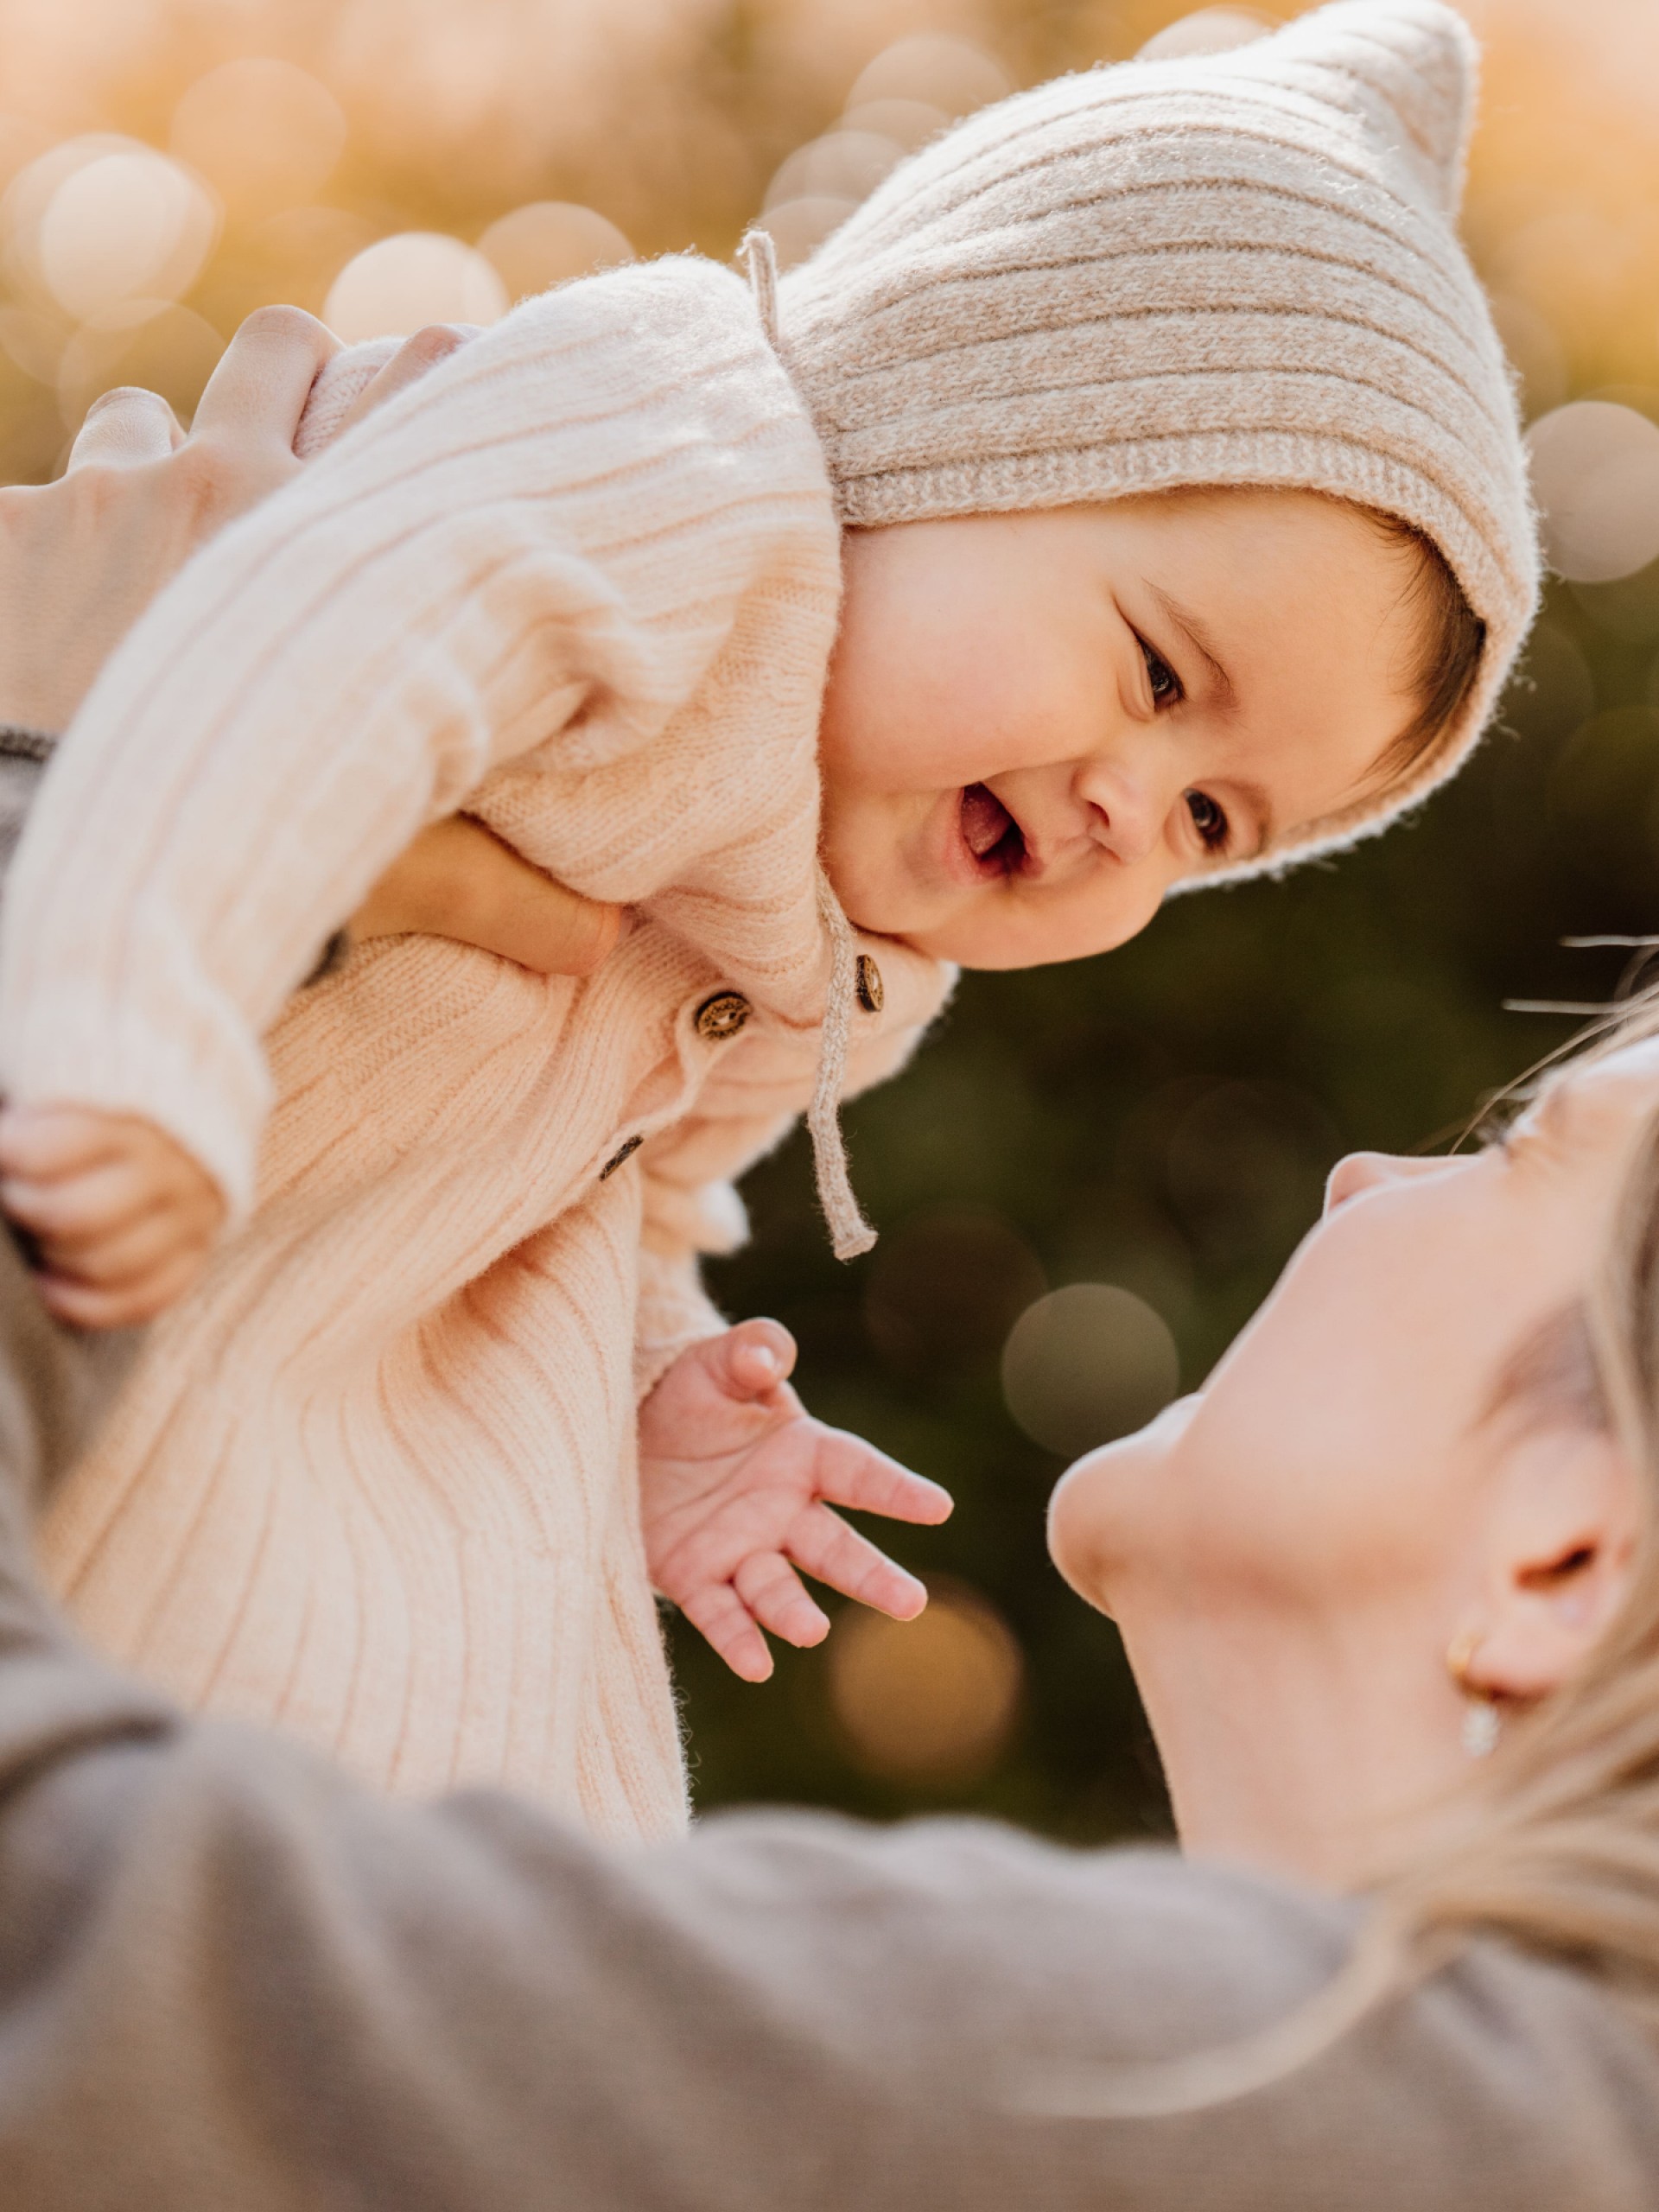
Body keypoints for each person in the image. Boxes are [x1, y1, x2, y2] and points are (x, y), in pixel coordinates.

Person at [0, 0, 1536, 1836]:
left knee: (511, 1822)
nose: (1136, 805)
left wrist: (645, 1385)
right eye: (1150, 667)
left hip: (283, 1552)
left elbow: (625, 1191)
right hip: (109, 1277)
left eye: (1215, 819)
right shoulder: (677, 453)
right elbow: (296, 676)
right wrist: (122, 1036)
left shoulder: (834, 954)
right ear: (946, 421)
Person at [5, 918, 1659, 2204]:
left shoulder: (1252, 2114)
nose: (1366, 1172)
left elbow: (61, 1935)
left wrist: (88, 839)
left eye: (1526, 1155)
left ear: (1568, 1557)